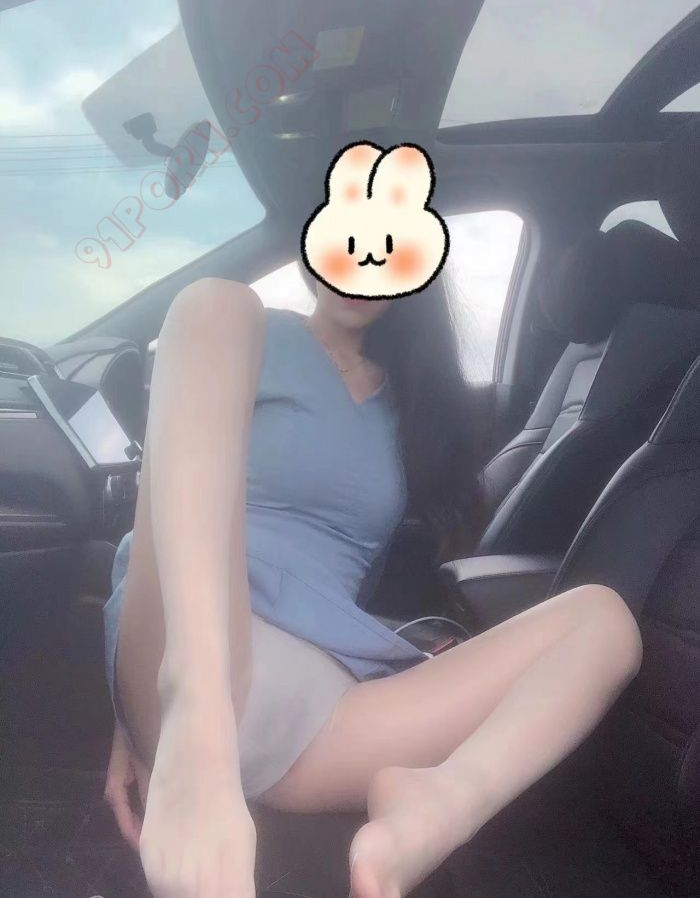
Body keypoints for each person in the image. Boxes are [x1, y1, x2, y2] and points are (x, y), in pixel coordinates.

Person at [102, 269, 643, 898]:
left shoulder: (409, 408)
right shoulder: (246, 333)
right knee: (215, 300)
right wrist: (138, 709)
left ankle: (438, 804)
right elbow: (167, 499)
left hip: (313, 709)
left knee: (604, 620)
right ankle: (195, 721)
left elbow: (347, 587)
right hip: (194, 648)